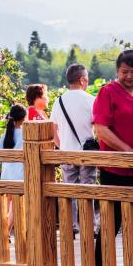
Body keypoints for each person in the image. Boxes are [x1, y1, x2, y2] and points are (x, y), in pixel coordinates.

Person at [93, 50, 133, 266]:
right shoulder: (107, 92)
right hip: (115, 168)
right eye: (125, 72)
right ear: (117, 70)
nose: (129, 76)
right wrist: (127, 150)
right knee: (112, 218)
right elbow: (101, 128)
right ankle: (100, 264)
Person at [51, 64, 98, 234]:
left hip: (66, 153)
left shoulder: (58, 102)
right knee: (88, 189)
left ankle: (70, 227)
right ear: (82, 80)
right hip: (87, 153)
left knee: (69, 190)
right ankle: (90, 226)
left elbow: (53, 130)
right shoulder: (91, 100)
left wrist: (62, 145)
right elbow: (99, 128)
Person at [0, 104, 27, 232]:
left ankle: (4, 229)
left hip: (6, 174)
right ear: (24, 118)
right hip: (20, 174)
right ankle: (5, 230)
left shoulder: (6, 134)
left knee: (7, 204)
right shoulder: (26, 134)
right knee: (15, 205)